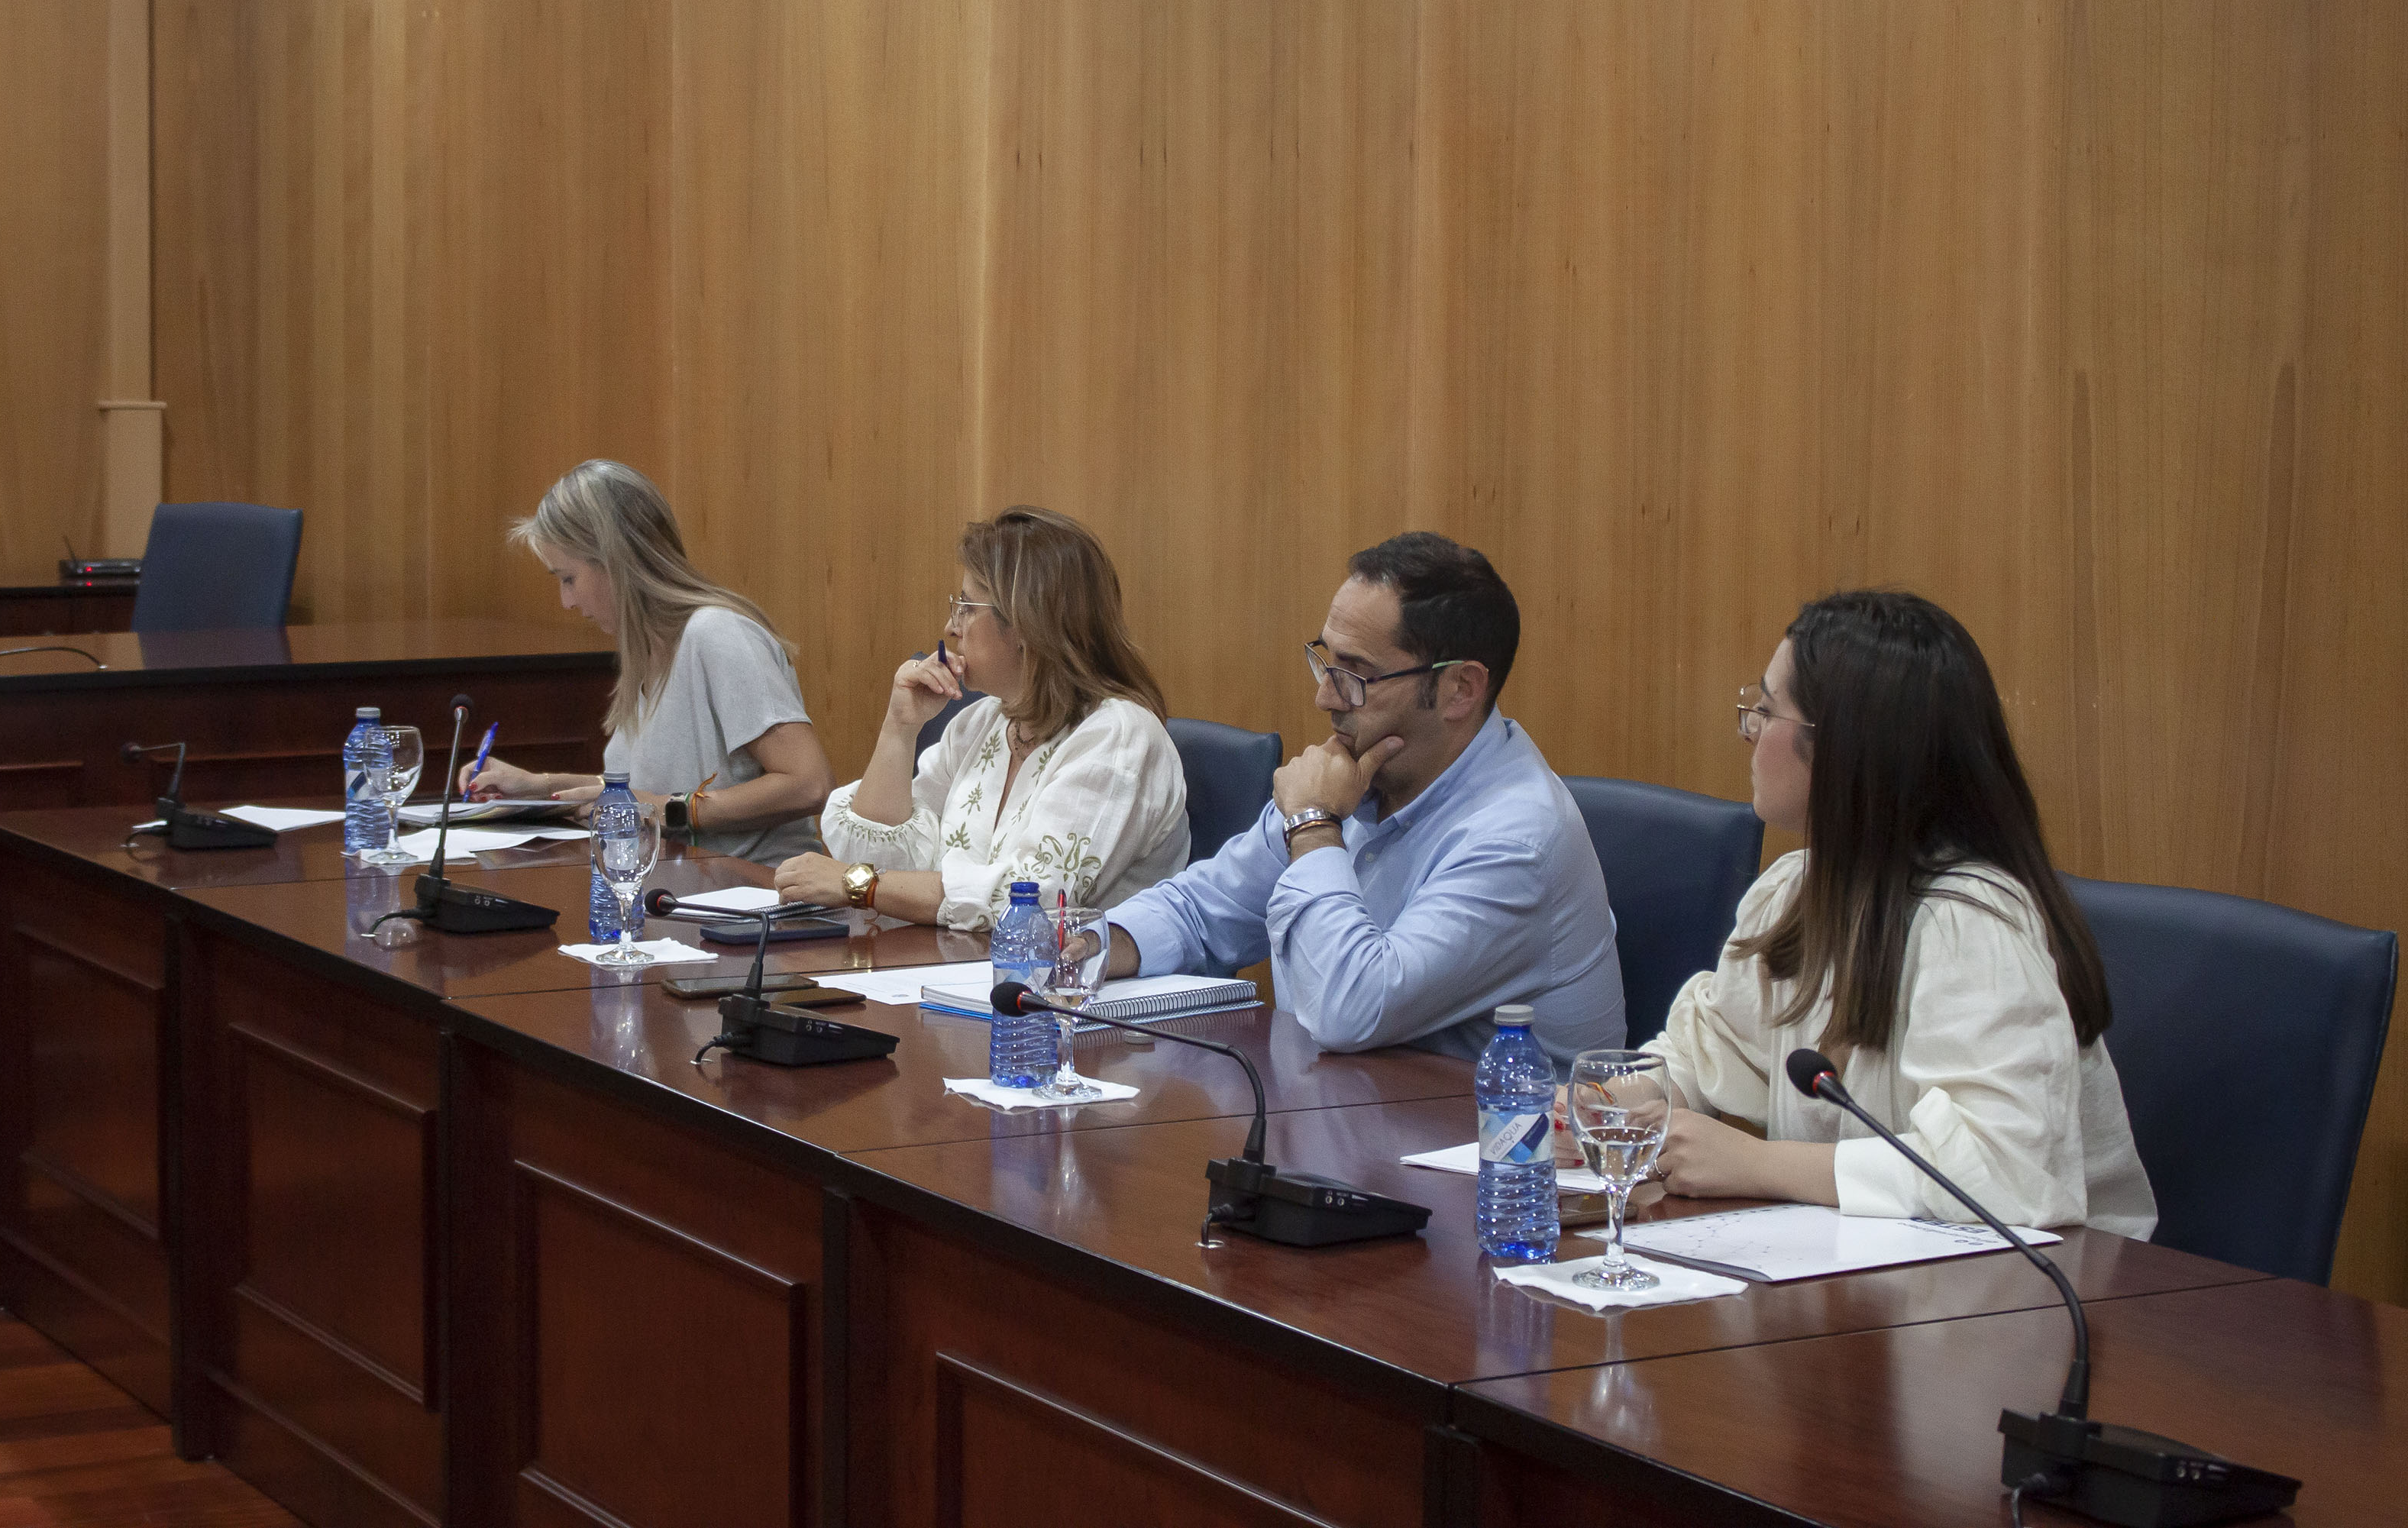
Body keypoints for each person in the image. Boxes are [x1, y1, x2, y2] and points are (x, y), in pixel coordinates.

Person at [1637, 590, 2155, 1236]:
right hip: (1884, 1267)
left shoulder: (1971, 924)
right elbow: (1715, 1047)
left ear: (1842, 749)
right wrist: (1622, 1102)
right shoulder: (1800, 889)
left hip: (2058, 1281)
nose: (1750, 733)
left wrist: (1760, 1164)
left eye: (1766, 712)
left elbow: (2003, 1174)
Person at [1104, 532, 1625, 1066]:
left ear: (1460, 689)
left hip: (1488, 1119)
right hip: (1339, 1103)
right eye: (1326, 661)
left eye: (1356, 674)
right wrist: (1091, 945)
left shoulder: (1517, 842)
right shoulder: (1355, 774)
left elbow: (1348, 1009)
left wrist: (1313, 828)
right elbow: (1201, 911)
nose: (1325, 696)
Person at [777, 506, 1188, 927]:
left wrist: (858, 885)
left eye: (966, 608)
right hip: (959, 961)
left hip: (1072, 971)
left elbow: (1027, 902)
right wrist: (900, 729)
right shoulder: (983, 722)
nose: (951, 627)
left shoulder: (1119, 737)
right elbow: (884, 862)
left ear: (1027, 623)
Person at [464, 460, 832, 862]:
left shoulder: (717, 633)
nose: (566, 601)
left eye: (568, 578)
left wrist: (666, 811)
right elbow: (645, 792)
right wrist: (541, 787)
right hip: (682, 883)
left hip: (755, 888)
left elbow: (808, 784)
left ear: (614, 561)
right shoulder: (646, 651)